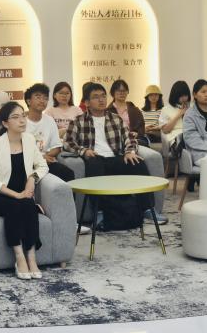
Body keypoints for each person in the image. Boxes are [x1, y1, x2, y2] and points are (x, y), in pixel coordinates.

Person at [0, 101, 49, 280]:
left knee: (27, 205)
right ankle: (19, 257)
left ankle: (31, 257)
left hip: (21, 195)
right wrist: (18, 195)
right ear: (5, 123)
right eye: (15, 117)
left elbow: (42, 165)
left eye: (23, 116)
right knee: (17, 205)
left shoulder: (29, 140)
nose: (22, 120)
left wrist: (32, 179)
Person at [64, 82, 156, 228]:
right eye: (96, 97)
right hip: (95, 158)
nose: (101, 100)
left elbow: (130, 137)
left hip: (115, 157)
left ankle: (147, 208)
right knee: (94, 166)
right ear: (87, 102)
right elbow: (68, 142)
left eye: (103, 96)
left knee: (137, 162)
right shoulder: (78, 121)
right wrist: (84, 151)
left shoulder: (115, 118)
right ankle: (99, 212)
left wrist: (129, 152)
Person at [23, 83, 75, 182]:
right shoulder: (21, 121)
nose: (42, 101)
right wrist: (40, 158)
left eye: (45, 98)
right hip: (26, 162)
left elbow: (57, 147)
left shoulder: (49, 120)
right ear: (29, 101)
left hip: (45, 161)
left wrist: (44, 158)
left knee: (68, 173)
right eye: (38, 97)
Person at [107, 79, 146, 145]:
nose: (122, 93)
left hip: (133, 141)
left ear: (127, 92)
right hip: (114, 142)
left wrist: (137, 133)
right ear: (113, 92)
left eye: (124, 90)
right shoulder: (108, 111)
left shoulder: (134, 110)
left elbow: (141, 128)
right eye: (119, 90)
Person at [159, 80, 191, 150]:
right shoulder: (166, 109)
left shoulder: (192, 108)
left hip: (191, 136)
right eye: (181, 96)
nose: (184, 98)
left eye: (185, 95)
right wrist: (179, 115)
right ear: (175, 96)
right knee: (182, 138)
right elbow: (165, 130)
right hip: (176, 138)